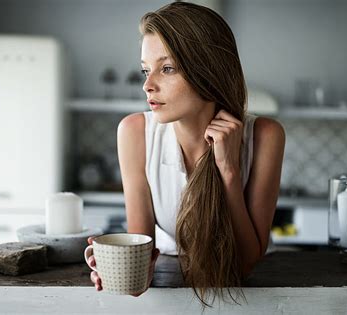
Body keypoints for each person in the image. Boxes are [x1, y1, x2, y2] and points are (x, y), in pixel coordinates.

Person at [85, 1, 285, 307]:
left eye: (167, 69)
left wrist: (228, 171)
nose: (147, 85)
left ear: (208, 72)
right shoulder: (134, 132)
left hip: (251, 303)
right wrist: (124, 271)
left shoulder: (266, 136)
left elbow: (245, 265)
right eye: (145, 70)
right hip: (170, 301)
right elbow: (142, 259)